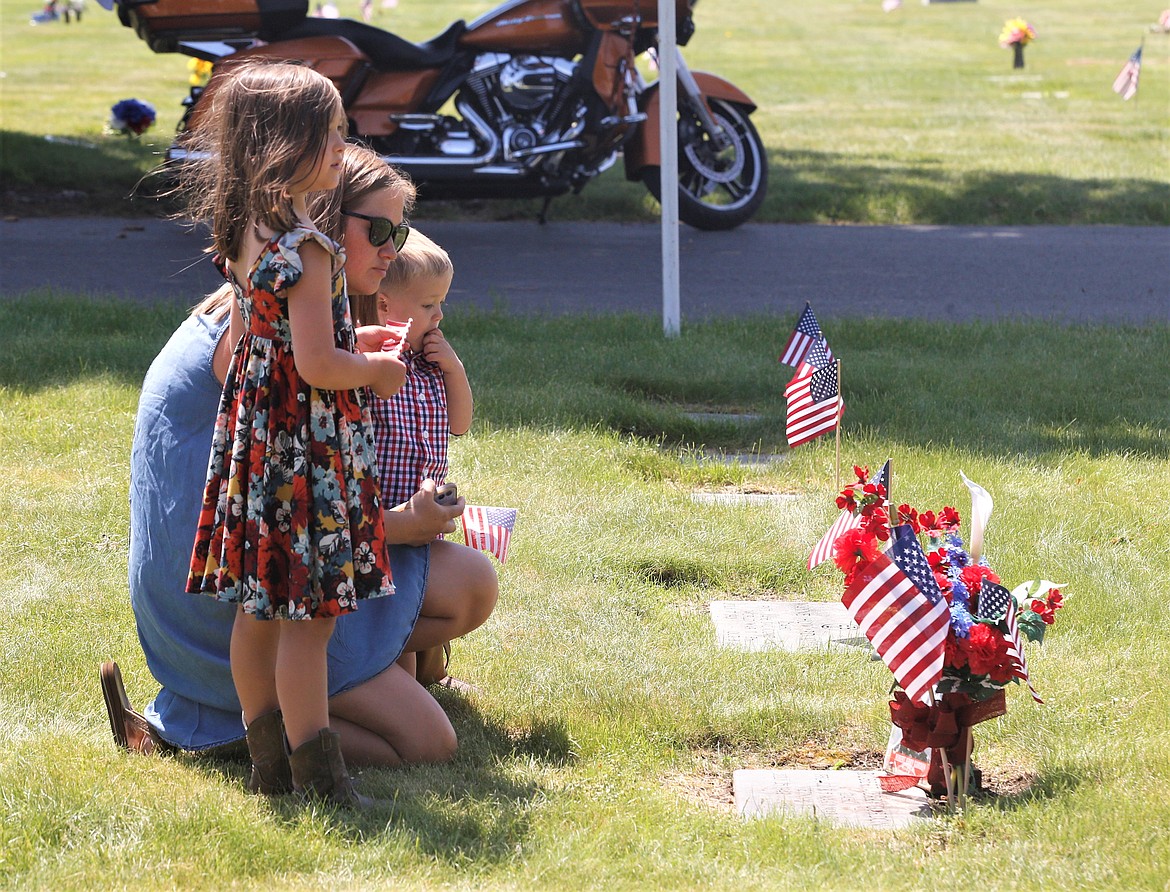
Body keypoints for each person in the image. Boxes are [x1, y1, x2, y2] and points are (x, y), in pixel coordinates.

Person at [108, 142, 497, 783]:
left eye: (400, 232)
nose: (394, 250)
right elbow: (289, 495)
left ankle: (269, 727)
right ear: (323, 218)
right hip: (229, 601)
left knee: (469, 585)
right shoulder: (268, 329)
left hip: (234, 583)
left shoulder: (274, 301)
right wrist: (397, 524)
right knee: (428, 743)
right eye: (380, 231)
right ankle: (250, 739)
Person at [178, 61, 418, 807]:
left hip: (257, 440)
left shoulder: (246, 234)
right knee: (310, 621)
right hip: (304, 452)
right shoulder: (311, 248)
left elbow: (261, 339)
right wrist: (374, 370)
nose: (345, 145)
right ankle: (323, 780)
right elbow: (316, 363)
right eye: (335, 131)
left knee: (257, 610)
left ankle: (267, 767)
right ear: (290, 144)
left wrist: (348, 348)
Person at [350, 230, 474, 680]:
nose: (439, 315)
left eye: (441, 303)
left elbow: (459, 424)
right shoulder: (369, 362)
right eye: (427, 305)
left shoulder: (432, 364)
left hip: (428, 505)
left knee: (423, 590)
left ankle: (434, 672)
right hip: (389, 511)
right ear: (385, 305)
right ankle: (398, 675)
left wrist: (454, 370)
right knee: (395, 598)